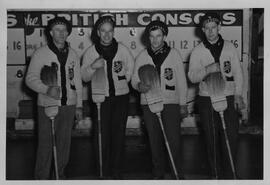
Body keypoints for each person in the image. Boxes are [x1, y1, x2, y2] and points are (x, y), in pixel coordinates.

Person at [188, 12, 245, 179]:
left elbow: (238, 73)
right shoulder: (197, 51)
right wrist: (207, 69)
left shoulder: (229, 47)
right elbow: (192, 76)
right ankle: (216, 176)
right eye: (207, 28)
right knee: (211, 139)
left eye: (214, 27)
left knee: (231, 137)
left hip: (228, 95)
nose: (211, 31)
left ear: (219, 27)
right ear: (202, 30)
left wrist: (238, 95)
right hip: (207, 98)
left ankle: (231, 174)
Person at [25, 16, 83, 180]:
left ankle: (59, 176)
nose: (61, 33)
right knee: (46, 146)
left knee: (64, 146)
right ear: (51, 32)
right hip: (48, 106)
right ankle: (41, 179)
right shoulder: (40, 53)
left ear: (68, 33)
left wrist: (78, 105)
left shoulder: (73, 54)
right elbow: (30, 79)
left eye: (64, 30)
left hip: (68, 106)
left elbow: (77, 81)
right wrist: (46, 89)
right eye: (57, 30)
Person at [131, 20, 188, 179]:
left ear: (164, 36)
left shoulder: (174, 54)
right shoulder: (143, 56)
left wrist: (183, 103)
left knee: (173, 141)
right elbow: (134, 79)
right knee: (154, 142)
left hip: (171, 103)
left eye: (159, 36)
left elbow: (182, 81)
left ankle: (178, 174)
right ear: (148, 37)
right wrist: (138, 85)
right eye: (152, 36)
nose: (155, 40)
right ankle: (158, 174)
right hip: (149, 102)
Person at [81, 15, 134, 179]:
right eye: (103, 31)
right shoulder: (91, 52)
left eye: (110, 31)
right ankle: (102, 172)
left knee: (118, 136)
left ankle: (117, 171)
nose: (106, 35)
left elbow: (130, 69)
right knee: (101, 137)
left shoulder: (123, 49)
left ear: (113, 32)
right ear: (98, 32)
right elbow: (84, 76)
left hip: (120, 99)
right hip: (100, 100)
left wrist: (123, 83)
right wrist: (92, 67)